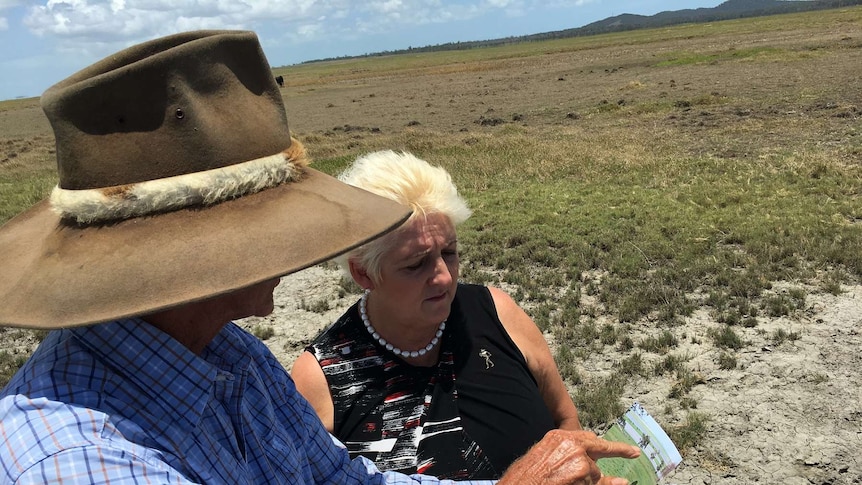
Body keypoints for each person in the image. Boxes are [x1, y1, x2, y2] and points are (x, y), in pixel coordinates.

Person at [0, 30, 639, 484]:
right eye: (274, 221)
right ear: (197, 254)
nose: (296, 249)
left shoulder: (229, 356)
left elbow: (344, 480)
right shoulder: (76, 458)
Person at [291, 150, 587, 480]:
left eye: (449, 252)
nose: (444, 277)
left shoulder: (497, 313)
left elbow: (565, 421)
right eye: (416, 264)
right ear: (363, 274)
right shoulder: (321, 381)